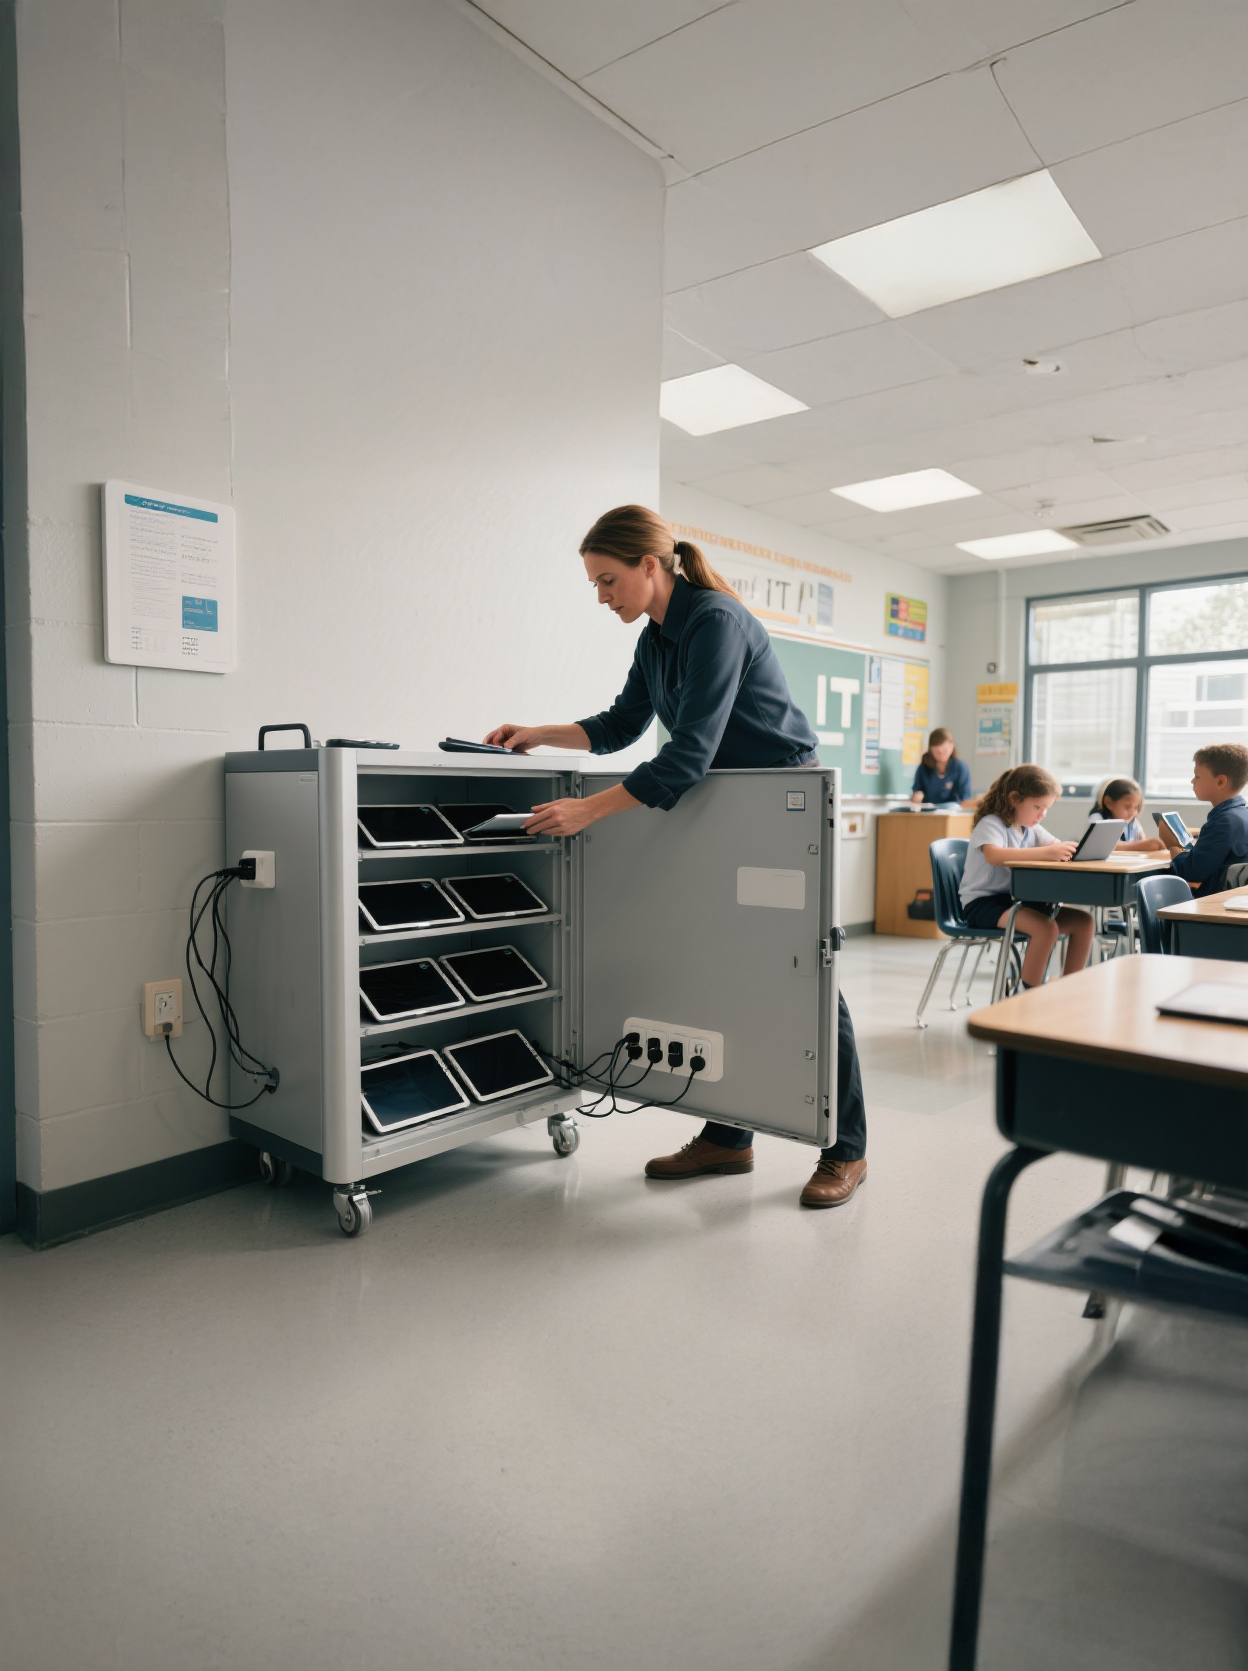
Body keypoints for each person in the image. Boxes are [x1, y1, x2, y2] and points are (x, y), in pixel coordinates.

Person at [484, 503, 868, 1209]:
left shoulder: (714, 621)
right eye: (595, 585)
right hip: (725, 805)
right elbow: (621, 725)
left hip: (781, 806)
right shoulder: (657, 637)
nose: (602, 597)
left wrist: (588, 812)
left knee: (809, 974)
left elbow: (687, 753)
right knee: (724, 965)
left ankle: (847, 1148)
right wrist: (536, 733)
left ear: (649, 566)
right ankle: (729, 1136)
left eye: (608, 581)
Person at [958, 763, 1094, 989]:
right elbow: (994, 855)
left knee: (1083, 922)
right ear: (1014, 799)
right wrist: (1048, 852)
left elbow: (1055, 845)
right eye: (1037, 806)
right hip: (982, 904)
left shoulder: (1030, 827)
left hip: (1013, 901)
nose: (1042, 814)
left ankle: (1070, 989)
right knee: (1045, 928)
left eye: (1046, 808)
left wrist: (1075, 850)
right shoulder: (992, 823)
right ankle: (1028, 995)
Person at [1155, 744, 1248, 893]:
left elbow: (1190, 873)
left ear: (1220, 782)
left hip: (1210, 906)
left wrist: (1172, 844)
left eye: (1197, 776)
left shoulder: (1224, 822)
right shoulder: (1241, 815)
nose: (1193, 781)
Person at [1087, 777, 1166, 852]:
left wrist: (1155, 845)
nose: (1133, 813)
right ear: (1109, 803)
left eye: (1135, 807)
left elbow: (1143, 841)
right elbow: (1103, 845)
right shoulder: (1097, 819)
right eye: (1127, 807)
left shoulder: (1133, 822)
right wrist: (1140, 845)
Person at [909, 727, 975, 808]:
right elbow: (917, 793)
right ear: (931, 750)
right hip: (929, 813)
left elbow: (966, 800)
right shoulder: (923, 768)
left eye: (944, 750)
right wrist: (917, 797)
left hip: (953, 813)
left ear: (952, 747)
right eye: (937, 752)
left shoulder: (960, 767)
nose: (941, 754)